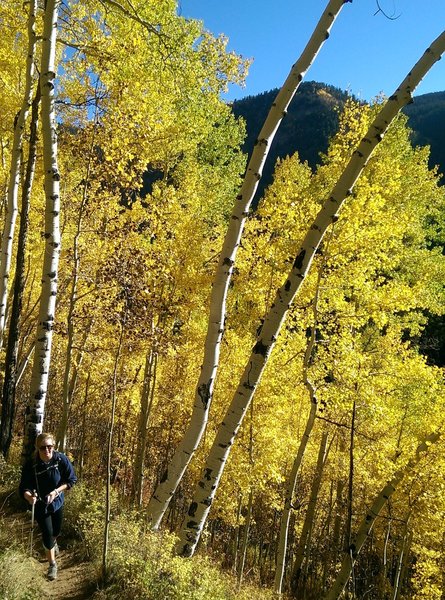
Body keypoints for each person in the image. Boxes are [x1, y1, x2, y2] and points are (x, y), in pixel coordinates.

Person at [19, 432, 77, 581]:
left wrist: (56, 492)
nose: (47, 450)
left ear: (54, 446)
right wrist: (29, 497)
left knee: (56, 530)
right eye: (43, 448)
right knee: (47, 531)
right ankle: (52, 564)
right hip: (40, 504)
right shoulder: (31, 464)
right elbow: (24, 487)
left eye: (50, 447)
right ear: (37, 448)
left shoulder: (61, 459)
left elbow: (71, 480)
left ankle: (53, 542)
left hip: (57, 501)